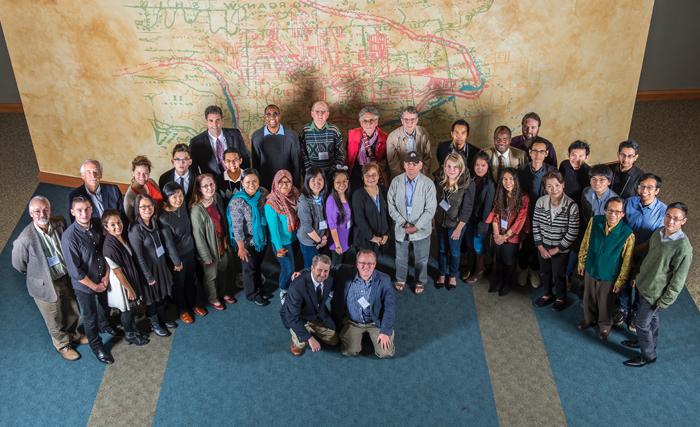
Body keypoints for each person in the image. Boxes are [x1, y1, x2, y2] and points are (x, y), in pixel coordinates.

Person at [12, 196, 86, 361]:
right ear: (31, 214)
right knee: (53, 317)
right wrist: (37, 275)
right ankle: (63, 345)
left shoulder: (59, 222)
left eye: (45, 209)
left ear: (50, 210)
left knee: (72, 308)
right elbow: (19, 265)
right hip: (44, 284)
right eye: (37, 211)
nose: (42, 214)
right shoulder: (24, 240)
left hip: (64, 277)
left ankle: (74, 334)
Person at [622, 203, 693, 367]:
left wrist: (665, 300)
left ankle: (648, 355)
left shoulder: (683, 248)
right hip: (643, 283)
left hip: (655, 293)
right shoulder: (659, 232)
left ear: (684, 221)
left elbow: (678, 280)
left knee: (641, 323)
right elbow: (647, 252)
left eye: (676, 219)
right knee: (653, 319)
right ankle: (645, 342)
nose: (671, 221)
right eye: (668, 216)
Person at [60, 196, 116, 364]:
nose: (84, 213)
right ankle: (96, 345)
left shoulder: (98, 224)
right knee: (90, 316)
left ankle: (105, 324)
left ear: (91, 209)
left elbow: (104, 250)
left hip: (102, 276)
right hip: (85, 285)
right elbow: (75, 272)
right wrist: (95, 286)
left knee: (105, 304)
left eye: (87, 209)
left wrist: (106, 276)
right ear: (72, 212)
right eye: (79, 210)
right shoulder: (69, 238)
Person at [577, 197, 635, 340]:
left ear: (623, 214)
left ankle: (604, 326)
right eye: (610, 210)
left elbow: (627, 261)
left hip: (609, 274)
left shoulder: (627, 234)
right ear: (605, 210)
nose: (613, 214)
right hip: (591, 267)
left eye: (617, 212)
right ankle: (589, 319)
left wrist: (620, 281)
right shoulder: (595, 221)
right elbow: (585, 241)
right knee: (588, 297)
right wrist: (581, 262)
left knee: (605, 302)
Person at [616, 173, 667, 330]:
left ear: (657, 190)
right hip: (626, 249)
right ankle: (623, 308)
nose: (645, 190)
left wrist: (637, 248)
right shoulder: (630, 202)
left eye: (650, 187)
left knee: (640, 284)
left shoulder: (663, 210)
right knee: (623, 278)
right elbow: (621, 224)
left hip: (646, 254)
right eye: (642, 186)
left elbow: (658, 237)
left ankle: (637, 310)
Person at [387, 151, 437, 294]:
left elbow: (430, 209)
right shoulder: (396, 181)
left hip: (421, 229)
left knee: (421, 258)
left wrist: (417, 226)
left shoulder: (428, 184)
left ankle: (420, 281)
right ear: (404, 165)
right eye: (408, 163)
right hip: (401, 227)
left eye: (415, 164)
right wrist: (403, 222)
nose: (411, 167)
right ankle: (401, 278)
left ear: (420, 165)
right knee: (400, 257)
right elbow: (391, 206)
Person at [331, 249, 395, 358]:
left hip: (375, 322)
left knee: (385, 353)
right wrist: (303, 273)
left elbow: (390, 307)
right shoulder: (343, 271)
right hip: (352, 322)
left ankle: (378, 335)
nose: (366, 267)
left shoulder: (384, 280)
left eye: (370, 263)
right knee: (349, 351)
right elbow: (324, 268)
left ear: (375, 264)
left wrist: (385, 331)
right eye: (362, 263)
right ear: (356, 264)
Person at [531, 171, 579, 311]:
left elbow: (572, 232)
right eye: (549, 186)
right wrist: (540, 246)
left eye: (557, 185)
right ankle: (547, 294)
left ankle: (560, 297)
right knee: (544, 271)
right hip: (543, 245)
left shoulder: (571, 206)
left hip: (560, 248)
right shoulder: (541, 202)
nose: (554, 189)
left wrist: (557, 249)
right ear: (545, 188)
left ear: (563, 185)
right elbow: (536, 224)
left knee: (559, 274)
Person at [128, 195, 176, 337]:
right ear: (137, 209)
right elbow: (139, 256)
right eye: (143, 207)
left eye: (150, 206)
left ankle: (163, 319)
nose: (147, 209)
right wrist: (148, 276)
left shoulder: (154, 222)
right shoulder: (135, 230)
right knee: (152, 300)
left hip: (160, 265)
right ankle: (154, 324)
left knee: (161, 295)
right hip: (148, 270)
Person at [101, 210, 149, 346]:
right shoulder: (109, 247)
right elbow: (118, 272)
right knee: (126, 310)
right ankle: (130, 334)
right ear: (106, 227)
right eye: (112, 225)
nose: (117, 226)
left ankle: (134, 329)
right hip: (121, 282)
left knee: (131, 308)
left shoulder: (121, 236)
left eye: (119, 222)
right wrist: (129, 289)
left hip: (128, 275)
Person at [191, 174, 236, 311]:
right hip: (209, 247)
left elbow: (222, 219)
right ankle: (213, 298)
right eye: (205, 186)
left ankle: (223, 293)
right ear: (199, 189)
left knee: (223, 269)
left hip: (222, 242)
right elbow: (198, 236)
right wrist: (205, 256)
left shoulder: (216, 198)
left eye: (211, 184)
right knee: (211, 275)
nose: (210, 188)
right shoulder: (196, 210)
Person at [159, 182, 202, 323]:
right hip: (178, 257)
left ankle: (193, 304)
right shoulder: (164, 218)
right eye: (174, 197)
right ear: (167, 199)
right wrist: (176, 261)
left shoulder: (182, 206)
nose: (178, 199)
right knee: (180, 284)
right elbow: (168, 243)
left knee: (191, 280)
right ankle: (183, 310)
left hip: (190, 250)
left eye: (180, 195)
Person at [280, 255, 338, 356]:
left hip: (316, 312)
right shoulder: (297, 286)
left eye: (326, 271)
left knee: (334, 340)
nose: (323, 274)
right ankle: (297, 338)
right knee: (302, 343)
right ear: (312, 268)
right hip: (297, 317)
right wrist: (309, 338)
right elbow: (292, 317)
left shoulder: (330, 277)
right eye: (319, 270)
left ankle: (309, 329)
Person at [229, 168, 270, 306]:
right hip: (246, 241)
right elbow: (237, 227)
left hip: (261, 238)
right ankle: (253, 294)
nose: (251, 184)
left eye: (254, 181)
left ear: (259, 182)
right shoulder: (238, 201)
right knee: (249, 268)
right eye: (248, 181)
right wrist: (241, 247)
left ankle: (259, 287)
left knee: (257, 265)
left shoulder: (263, 193)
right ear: (242, 182)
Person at [518, 138, 556, 288]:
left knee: (537, 244)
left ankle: (534, 270)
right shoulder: (521, 170)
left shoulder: (552, 172)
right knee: (524, 243)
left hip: (543, 216)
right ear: (530, 152)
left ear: (546, 153)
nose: (538, 154)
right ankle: (522, 269)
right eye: (535, 151)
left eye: (541, 151)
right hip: (525, 215)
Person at [486, 168, 529, 296]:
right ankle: (498, 281)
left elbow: (520, 221)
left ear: (516, 181)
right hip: (498, 233)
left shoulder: (523, 198)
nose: (508, 182)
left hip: (512, 236)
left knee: (509, 261)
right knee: (498, 259)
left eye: (511, 179)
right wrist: (496, 235)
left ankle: (507, 283)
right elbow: (494, 214)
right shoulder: (501, 195)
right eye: (505, 179)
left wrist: (504, 237)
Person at [434, 153, 475, 289]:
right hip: (440, 221)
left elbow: (467, 208)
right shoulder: (439, 179)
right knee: (441, 249)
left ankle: (452, 275)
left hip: (456, 224)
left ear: (461, 168)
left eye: (455, 167)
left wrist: (459, 228)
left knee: (454, 251)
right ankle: (442, 273)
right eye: (448, 166)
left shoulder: (468, 184)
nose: (451, 170)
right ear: (444, 166)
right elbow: (435, 200)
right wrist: (434, 218)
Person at [264, 169, 301, 302]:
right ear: (275, 184)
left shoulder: (295, 194)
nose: (285, 185)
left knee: (294, 267)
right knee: (288, 268)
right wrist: (279, 248)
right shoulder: (271, 203)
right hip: (282, 243)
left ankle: (292, 287)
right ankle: (284, 290)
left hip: (296, 239)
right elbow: (273, 231)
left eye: (288, 182)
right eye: (281, 182)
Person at [251, 104, 302, 190]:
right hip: (265, 185)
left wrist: (296, 186)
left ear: (279, 115)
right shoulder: (256, 137)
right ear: (264, 117)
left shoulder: (292, 136)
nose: (272, 117)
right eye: (268, 114)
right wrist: (259, 188)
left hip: (286, 185)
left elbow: (296, 164)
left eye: (275, 113)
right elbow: (256, 165)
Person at [189, 105, 250, 175]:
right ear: (206, 122)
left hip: (236, 179)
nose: (214, 124)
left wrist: (244, 178)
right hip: (212, 183)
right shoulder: (196, 142)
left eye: (217, 120)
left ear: (222, 121)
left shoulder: (235, 134)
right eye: (211, 121)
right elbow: (193, 169)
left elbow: (245, 158)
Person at [465, 151, 496, 283]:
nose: (480, 168)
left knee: (479, 247)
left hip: (481, 223)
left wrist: (482, 226)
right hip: (469, 220)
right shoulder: (470, 179)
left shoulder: (490, 184)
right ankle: (470, 267)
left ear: (488, 167)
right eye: (477, 165)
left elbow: (488, 209)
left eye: (483, 165)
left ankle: (479, 270)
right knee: (470, 245)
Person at [68, 159, 125, 225]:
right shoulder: (75, 195)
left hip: (115, 230)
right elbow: (75, 223)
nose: (93, 175)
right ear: (83, 176)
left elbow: (122, 216)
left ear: (100, 174)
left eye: (95, 171)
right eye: (88, 172)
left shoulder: (113, 190)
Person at [346, 106, 389, 193]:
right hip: (356, 173)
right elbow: (347, 156)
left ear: (376, 122)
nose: (368, 124)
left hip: (375, 174)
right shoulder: (352, 135)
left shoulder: (385, 138)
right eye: (365, 121)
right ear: (360, 123)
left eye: (371, 120)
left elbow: (386, 160)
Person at [351, 162, 390, 255]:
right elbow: (359, 219)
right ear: (362, 177)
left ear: (378, 176)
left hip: (381, 238)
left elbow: (387, 214)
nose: (371, 178)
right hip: (365, 239)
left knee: (376, 264)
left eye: (374, 175)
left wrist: (386, 234)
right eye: (367, 175)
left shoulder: (383, 190)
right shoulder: (358, 194)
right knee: (364, 266)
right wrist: (372, 237)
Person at [300, 101, 345, 176]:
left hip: (331, 173)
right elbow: (302, 153)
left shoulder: (334, 130)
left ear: (327, 114)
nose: (320, 114)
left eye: (323, 112)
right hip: (311, 174)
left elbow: (340, 154)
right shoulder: (305, 130)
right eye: (317, 111)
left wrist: (333, 171)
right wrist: (310, 171)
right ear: (312, 114)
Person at [296, 167, 329, 269]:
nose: (317, 183)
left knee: (320, 266)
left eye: (320, 179)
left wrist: (325, 237)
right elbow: (307, 228)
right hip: (309, 240)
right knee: (310, 267)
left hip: (321, 238)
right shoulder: (303, 201)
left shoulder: (323, 196)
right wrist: (320, 241)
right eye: (313, 180)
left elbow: (327, 218)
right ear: (307, 182)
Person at [386, 106, 432, 179]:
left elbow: (427, 158)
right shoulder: (392, 137)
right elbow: (393, 164)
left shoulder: (424, 133)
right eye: (406, 119)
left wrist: (421, 177)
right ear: (401, 120)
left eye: (412, 119)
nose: (409, 123)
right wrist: (405, 179)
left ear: (417, 120)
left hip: (420, 176)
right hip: (400, 178)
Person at [580, 165, 618, 236]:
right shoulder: (586, 192)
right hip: (587, 229)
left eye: (602, 180)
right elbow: (584, 213)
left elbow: (613, 226)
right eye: (594, 179)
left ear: (609, 182)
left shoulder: (615, 201)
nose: (597, 183)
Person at [124, 155, 163, 223]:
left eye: (145, 173)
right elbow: (131, 221)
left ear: (149, 173)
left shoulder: (151, 182)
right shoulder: (129, 197)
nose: (142, 177)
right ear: (133, 173)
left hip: (162, 218)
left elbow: (162, 202)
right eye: (138, 173)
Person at [326, 169, 352, 266]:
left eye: (344, 181)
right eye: (338, 182)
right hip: (337, 242)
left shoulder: (346, 195)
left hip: (345, 238)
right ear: (333, 183)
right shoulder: (331, 200)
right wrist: (337, 244)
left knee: (343, 266)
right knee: (336, 267)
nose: (342, 184)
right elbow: (332, 225)